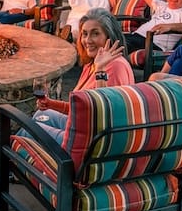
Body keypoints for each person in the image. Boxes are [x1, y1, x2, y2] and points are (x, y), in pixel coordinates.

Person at [25, 8, 134, 144]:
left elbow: (104, 116)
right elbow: (80, 107)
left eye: (95, 34)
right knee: (41, 114)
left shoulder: (115, 66)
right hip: (81, 125)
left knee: (27, 131)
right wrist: (51, 104)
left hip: (93, 141)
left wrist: (100, 70)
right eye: (84, 34)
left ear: (109, 37)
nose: (88, 40)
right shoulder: (91, 64)